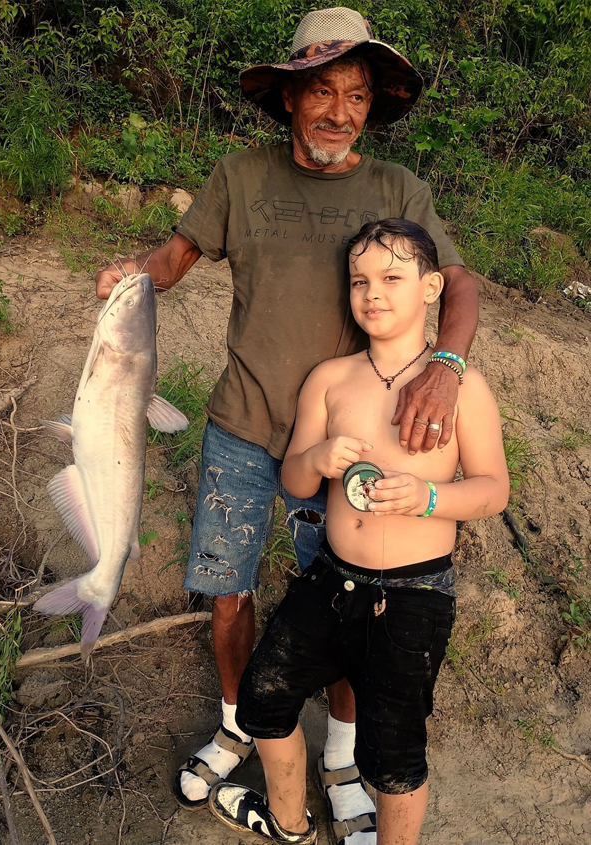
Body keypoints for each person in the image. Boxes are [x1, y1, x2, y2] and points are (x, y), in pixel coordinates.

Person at [94, 7, 479, 840]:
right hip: (243, 427)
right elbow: (176, 256)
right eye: (323, 91)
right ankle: (238, 723)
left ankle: (339, 752)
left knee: (346, 601)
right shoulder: (241, 176)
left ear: (370, 109)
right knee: (229, 593)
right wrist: (132, 273)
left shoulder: (398, 192)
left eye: (357, 95)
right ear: (291, 97)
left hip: (346, 443)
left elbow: (460, 282)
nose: (340, 110)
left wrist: (447, 367)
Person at [207, 218, 509, 844]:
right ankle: (290, 822)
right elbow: (293, 478)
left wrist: (429, 497)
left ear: (431, 290)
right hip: (333, 577)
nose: (373, 293)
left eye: (392, 279)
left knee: (394, 752)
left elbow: (491, 490)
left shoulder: (465, 390)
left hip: (414, 594)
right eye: (359, 281)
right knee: (264, 698)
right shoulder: (331, 378)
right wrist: (315, 462)